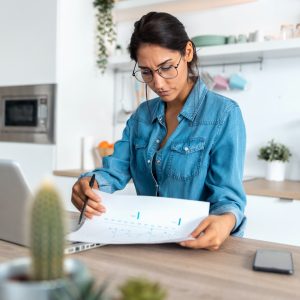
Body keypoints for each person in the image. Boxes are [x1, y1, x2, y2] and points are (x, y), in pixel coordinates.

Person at [71, 12, 246, 250]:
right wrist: (89, 186)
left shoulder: (224, 114)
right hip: (148, 243)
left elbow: (227, 197)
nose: (158, 83)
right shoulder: (142, 116)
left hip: (200, 248)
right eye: (146, 72)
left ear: (187, 52)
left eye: (166, 68)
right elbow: (114, 172)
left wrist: (225, 221)